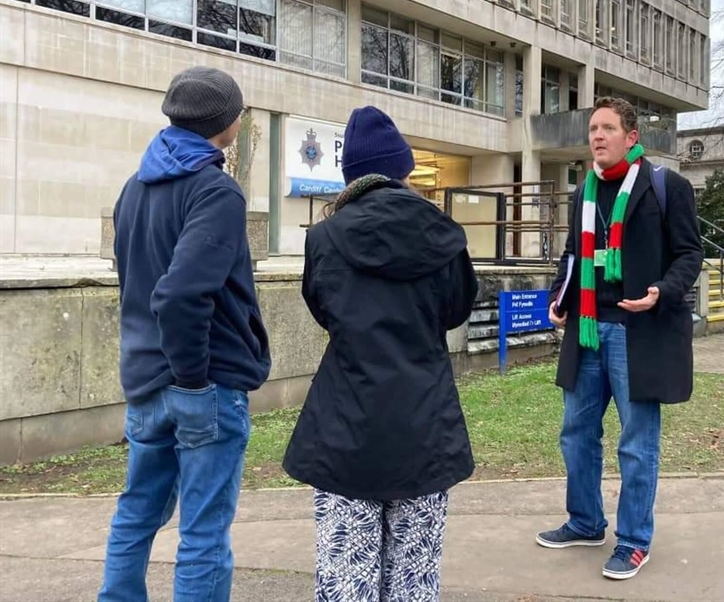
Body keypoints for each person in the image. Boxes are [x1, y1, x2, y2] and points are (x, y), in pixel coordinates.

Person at [283, 105, 478, 602]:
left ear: (350, 175)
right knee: (414, 580)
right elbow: (456, 309)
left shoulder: (324, 238)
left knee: (347, 580)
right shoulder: (443, 234)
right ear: (404, 169)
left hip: (345, 425)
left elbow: (322, 309)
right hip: (424, 423)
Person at [99, 66, 272, 602]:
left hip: (145, 379)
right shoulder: (216, 191)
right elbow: (178, 295)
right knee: (203, 532)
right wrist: (194, 380)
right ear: (228, 122)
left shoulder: (134, 188)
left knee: (136, 512)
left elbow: (132, 281)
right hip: (203, 382)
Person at [536, 96, 702, 580]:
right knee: (576, 434)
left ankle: (633, 541)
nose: (597, 136)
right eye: (593, 129)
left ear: (631, 137)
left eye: (607, 128)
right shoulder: (583, 192)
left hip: (639, 332)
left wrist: (662, 291)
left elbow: (690, 254)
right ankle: (585, 522)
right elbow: (572, 254)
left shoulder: (666, 186)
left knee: (636, 442)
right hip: (588, 330)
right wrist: (559, 296)